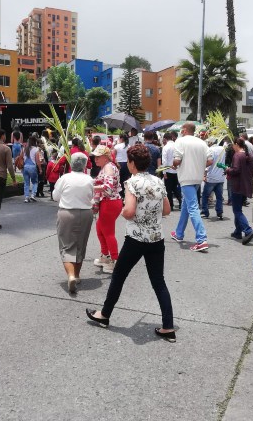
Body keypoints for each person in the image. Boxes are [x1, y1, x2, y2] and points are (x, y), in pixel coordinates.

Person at [86, 144, 175, 342]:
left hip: (135, 238)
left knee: (118, 276)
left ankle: (104, 314)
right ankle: (168, 326)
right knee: (158, 281)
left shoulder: (132, 182)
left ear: (133, 163)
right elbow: (167, 210)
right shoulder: (158, 181)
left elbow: (129, 211)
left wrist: (125, 210)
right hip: (156, 239)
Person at [52, 153, 94, 294]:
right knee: (81, 244)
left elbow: (55, 196)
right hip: (86, 213)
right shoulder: (89, 179)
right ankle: (76, 275)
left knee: (66, 245)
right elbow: (92, 197)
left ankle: (70, 275)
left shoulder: (65, 178)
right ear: (84, 165)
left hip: (67, 213)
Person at [170, 122, 209, 252]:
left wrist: (174, 164)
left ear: (185, 130)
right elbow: (210, 160)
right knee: (187, 206)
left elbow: (177, 160)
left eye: (182, 129)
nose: (181, 130)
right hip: (197, 178)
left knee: (192, 207)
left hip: (186, 178)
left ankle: (201, 239)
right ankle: (179, 233)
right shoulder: (202, 143)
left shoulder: (181, 141)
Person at [92, 145, 122, 274]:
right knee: (100, 230)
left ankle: (115, 260)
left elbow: (108, 187)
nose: (95, 159)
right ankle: (105, 256)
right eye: (95, 156)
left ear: (105, 157)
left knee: (107, 232)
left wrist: (91, 186)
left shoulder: (108, 167)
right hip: (108, 202)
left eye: (98, 157)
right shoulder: (107, 166)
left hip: (110, 202)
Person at [225, 138, 253, 245]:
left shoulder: (237, 155)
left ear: (237, 144)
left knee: (237, 210)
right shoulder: (249, 156)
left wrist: (228, 169)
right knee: (238, 209)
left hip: (237, 185)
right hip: (246, 185)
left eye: (233, 145)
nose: (232, 147)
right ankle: (238, 231)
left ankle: (248, 230)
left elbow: (236, 169)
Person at [201, 140, 225, 220]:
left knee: (205, 195)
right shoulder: (223, 149)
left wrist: (202, 168)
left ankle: (205, 212)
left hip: (211, 177)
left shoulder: (210, 150)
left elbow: (210, 162)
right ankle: (219, 212)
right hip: (220, 176)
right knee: (219, 196)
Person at [161, 131, 181, 211]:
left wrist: (164, 172)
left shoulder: (166, 147)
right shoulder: (177, 146)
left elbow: (164, 161)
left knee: (168, 189)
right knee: (175, 188)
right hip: (177, 170)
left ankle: (171, 205)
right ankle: (180, 201)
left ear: (165, 139)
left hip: (169, 170)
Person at [22, 135, 43, 203]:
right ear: (35, 142)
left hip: (25, 167)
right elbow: (37, 160)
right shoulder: (36, 149)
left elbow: (22, 157)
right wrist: (40, 169)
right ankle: (33, 195)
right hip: (32, 167)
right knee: (34, 182)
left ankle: (26, 197)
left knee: (26, 183)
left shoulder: (24, 148)